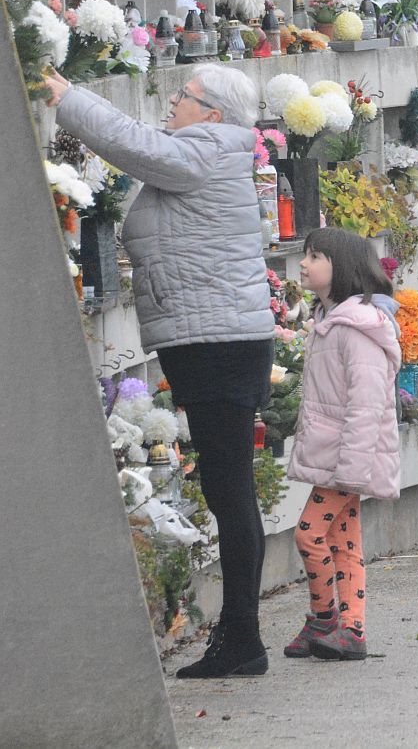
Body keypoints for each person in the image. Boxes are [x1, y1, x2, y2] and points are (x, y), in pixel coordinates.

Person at [44, 64, 276, 678]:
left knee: (230, 491)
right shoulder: (211, 148)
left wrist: (68, 97)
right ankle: (239, 633)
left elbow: (133, 144)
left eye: (184, 96)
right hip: (216, 340)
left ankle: (243, 639)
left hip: (220, 344)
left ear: (213, 113)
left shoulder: (206, 149)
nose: (172, 103)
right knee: (228, 489)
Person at [283, 227, 402, 662]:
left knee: (309, 534)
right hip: (337, 457)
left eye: (315, 256)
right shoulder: (329, 322)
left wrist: (351, 472)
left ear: (343, 268)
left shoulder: (356, 329)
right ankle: (351, 629)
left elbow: (367, 407)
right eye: (306, 254)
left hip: (347, 460)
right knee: (342, 542)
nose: (303, 263)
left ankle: (324, 619)